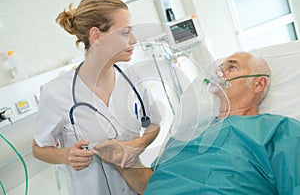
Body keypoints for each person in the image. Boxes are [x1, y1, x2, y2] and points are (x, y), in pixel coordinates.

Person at [97, 52, 300, 194]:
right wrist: (125, 162)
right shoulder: (187, 133)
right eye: (220, 68)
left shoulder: (279, 130)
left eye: (231, 67)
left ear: (258, 83)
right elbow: (152, 183)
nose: (220, 73)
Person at [32, 0, 160, 194]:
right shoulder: (56, 92)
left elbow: (153, 125)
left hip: (136, 187)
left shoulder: (133, 76)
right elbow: (38, 148)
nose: (133, 40)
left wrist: (136, 145)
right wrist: (67, 155)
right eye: (125, 32)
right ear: (96, 35)